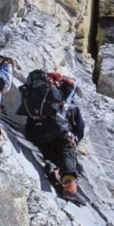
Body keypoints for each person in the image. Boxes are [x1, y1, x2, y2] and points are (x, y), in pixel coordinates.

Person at [18, 70, 89, 206]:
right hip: (54, 130)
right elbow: (79, 130)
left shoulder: (32, 92)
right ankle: (70, 185)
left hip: (32, 132)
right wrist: (74, 141)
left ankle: (55, 169)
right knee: (67, 149)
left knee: (48, 147)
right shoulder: (68, 103)